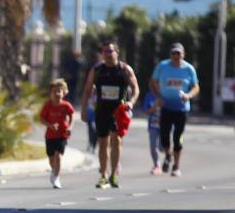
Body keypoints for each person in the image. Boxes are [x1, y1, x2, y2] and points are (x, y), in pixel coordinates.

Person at [80, 41, 139, 189]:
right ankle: (103, 176)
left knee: (116, 141)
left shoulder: (125, 69)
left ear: (117, 53)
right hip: (102, 110)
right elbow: (87, 90)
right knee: (103, 142)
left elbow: (135, 88)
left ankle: (114, 174)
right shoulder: (97, 69)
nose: (107, 54)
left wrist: (131, 102)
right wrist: (84, 109)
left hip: (119, 110)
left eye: (110, 51)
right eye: (104, 52)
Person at [149, 42, 199, 177]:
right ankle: (168, 154)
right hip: (166, 106)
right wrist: (158, 96)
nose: (176, 56)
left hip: (181, 109)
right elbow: (152, 82)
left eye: (178, 53)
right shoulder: (163, 66)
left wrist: (188, 95)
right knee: (164, 136)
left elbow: (196, 87)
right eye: (173, 53)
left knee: (178, 137)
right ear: (170, 54)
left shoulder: (189, 69)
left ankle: (176, 166)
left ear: (183, 54)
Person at [39, 78, 74, 189]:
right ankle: (54, 171)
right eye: (55, 91)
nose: (57, 94)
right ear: (50, 93)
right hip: (50, 136)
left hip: (62, 135)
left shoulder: (66, 105)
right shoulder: (47, 105)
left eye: (60, 91)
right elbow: (42, 118)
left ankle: (57, 178)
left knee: (59, 157)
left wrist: (70, 127)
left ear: (64, 93)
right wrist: (50, 126)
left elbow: (72, 116)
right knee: (51, 159)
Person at [141, 90, 162, 175]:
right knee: (153, 148)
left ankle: (170, 156)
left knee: (163, 147)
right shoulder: (149, 95)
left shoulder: (167, 93)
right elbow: (145, 110)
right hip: (153, 125)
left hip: (165, 126)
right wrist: (154, 108)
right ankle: (157, 165)